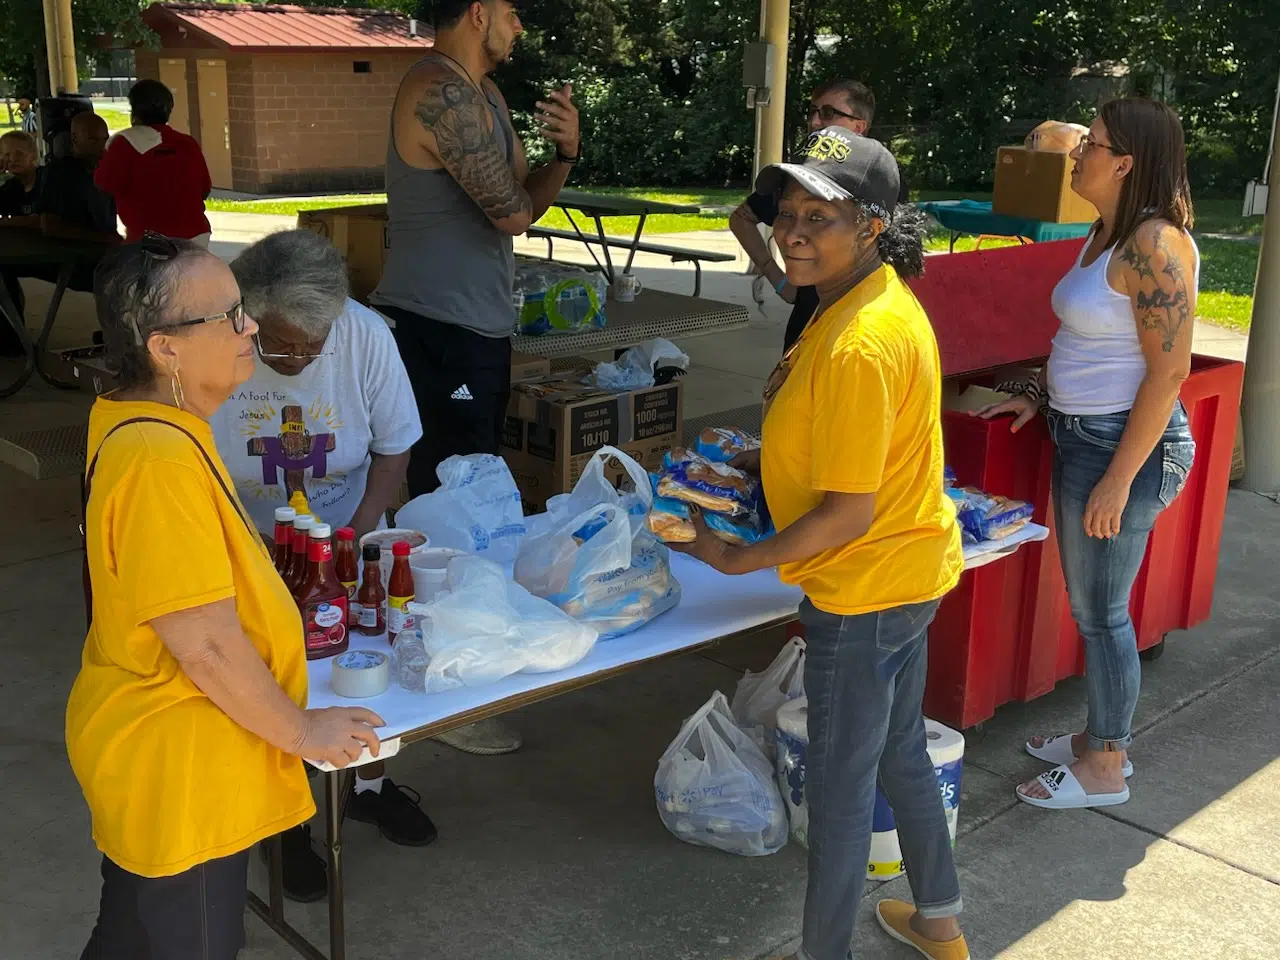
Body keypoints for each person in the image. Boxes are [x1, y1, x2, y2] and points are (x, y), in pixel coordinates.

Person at [674, 127, 969, 960]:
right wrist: (765, 464)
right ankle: (939, 917)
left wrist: (733, 558)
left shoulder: (857, 341)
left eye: (821, 216)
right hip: (907, 571)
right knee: (901, 747)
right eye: (786, 212)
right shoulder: (858, 299)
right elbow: (848, 448)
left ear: (872, 226)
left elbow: (846, 513)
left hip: (865, 590)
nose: (792, 232)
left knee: (841, 798)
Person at [69, 234, 383, 959]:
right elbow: (204, 645)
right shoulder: (157, 460)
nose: (250, 330)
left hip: (162, 750)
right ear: (165, 348)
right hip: (180, 763)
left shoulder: (149, 418)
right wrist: (304, 734)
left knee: (129, 934)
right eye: (228, 318)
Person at [369, 0, 580, 757]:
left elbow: (525, 199)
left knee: (475, 494)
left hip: (480, 328)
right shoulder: (440, 92)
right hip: (437, 330)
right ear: (481, 9)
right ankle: (445, 680)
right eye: (515, 13)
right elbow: (510, 215)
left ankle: (466, 652)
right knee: (443, 505)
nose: (520, 29)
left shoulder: (485, 94)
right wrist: (537, 180)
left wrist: (564, 156)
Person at [976, 98, 1198, 811]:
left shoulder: (1154, 246)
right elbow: (1088, 340)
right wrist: (1038, 395)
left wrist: (1118, 479)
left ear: (1126, 163)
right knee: (1091, 605)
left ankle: (1107, 762)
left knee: (1103, 612)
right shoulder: (1106, 232)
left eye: (1092, 145)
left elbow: (1168, 375)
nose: (1077, 155)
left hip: (1122, 447)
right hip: (1081, 433)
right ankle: (1098, 735)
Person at [210, 229, 429, 902]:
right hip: (243, 535)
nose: (295, 358)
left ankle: (368, 785)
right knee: (276, 680)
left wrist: (358, 536)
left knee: (367, 664)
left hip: (347, 527)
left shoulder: (363, 335)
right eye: (277, 345)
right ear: (246, 317)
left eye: (312, 346)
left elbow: (395, 448)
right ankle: (285, 822)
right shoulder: (216, 340)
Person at [730, 79, 910, 352]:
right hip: (808, 323)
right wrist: (780, 280)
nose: (815, 121)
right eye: (786, 212)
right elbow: (741, 218)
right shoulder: (798, 172)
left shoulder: (861, 345)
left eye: (818, 216)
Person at [95, 78, 213, 245]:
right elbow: (204, 190)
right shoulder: (187, 143)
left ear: (134, 111)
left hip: (149, 242)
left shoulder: (124, 143)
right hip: (196, 237)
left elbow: (103, 185)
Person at [0, 130, 45, 355]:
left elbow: (42, 221)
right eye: (6, 155)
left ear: (33, 156)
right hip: (26, 253)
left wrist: (9, 223)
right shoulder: (12, 187)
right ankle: (11, 335)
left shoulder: (47, 181)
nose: (12, 159)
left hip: (58, 255)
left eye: (19, 154)